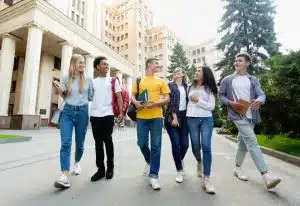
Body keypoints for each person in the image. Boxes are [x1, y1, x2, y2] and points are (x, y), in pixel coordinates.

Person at [219, 52, 281, 190]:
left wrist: (259, 101)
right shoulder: (228, 80)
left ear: (246, 63)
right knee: (252, 142)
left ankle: (237, 168)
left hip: (251, 115)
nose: (236, 62)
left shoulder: (253, 79)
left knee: (243, 143)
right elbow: (221, 95)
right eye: (236, 60)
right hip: (237, 115)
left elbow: (261, 94)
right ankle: (266, 175)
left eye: (240, 60)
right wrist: (230, 103)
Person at [53, 54, 93, 189]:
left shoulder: (88, 79)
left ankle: (76, 162)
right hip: (68, 112)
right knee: (66, 143)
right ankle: (64, 175)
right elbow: (64, 94)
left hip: (82, 113)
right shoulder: (66, 79)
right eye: (80, 62)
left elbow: (91, 96)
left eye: (83, 63)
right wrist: (60, 90)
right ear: (73, 64)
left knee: (80, 144)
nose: (83, 65)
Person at [131, 58, 170, 190]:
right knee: (141, 143)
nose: (158, 66)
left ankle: (154, 176)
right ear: (149, 65)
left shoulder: (161, 81)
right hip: (141, 116)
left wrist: (157, 103)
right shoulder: (139, 80)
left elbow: (167, 98)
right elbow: (133, 95)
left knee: (156, 146)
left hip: (157, 117)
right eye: (156, 64)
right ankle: (149, 160)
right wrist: (135, 102)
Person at [89, 56, 124, 182]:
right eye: (104, 64)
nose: (107, 66)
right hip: (94, 115)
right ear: (97, 66)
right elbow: (88, 97)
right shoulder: (92, 82)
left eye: (107, 64)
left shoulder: (113, 80)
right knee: (98, 143)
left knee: (107, 141)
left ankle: (110, 168)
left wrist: (121, 112)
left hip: (108, 114)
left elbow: (119, 97)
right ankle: (100, 169)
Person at [186, 66, 218, 194]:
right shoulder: (189, 87)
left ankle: (207, 178)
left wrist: (198, 100)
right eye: (196, 70)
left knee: (206, 146)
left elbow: (211, 107)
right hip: (191, 119)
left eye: (199, 71)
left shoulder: (209, 89)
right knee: (195, 146)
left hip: (206, 119)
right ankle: (199, 161)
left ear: (205, 75)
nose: (196, 72)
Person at [165, 67, 189, 183]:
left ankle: (180, 159)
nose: (175, 72)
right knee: (175, 143)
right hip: (172, 116)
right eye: (174, 71)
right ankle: (179, 170)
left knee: (185, 144)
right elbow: (170, 103)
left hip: (184, 117)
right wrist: (174, 117)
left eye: (178, 71)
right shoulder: (169, 85)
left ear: (183, 74)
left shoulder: (187, 87)